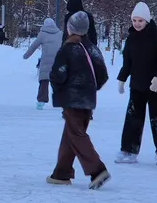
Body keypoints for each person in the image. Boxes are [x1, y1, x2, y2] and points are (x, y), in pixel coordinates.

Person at [46, 11, 111, 189]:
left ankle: (98, 170)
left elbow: (58, 75)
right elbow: (103, 75)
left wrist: (60, 89)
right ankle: (61, 173)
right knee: (71, 134)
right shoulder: (93, 49)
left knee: (77, 135)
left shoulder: (67, 49)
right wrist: (89, 88)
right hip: (88, 100)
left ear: (70, 29)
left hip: (72, 99)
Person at [115, 2, 157, 165]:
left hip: (154, 87)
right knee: (133, 118)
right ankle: (128, 150)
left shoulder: (155, 38)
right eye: (135, 20)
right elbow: (127, 62)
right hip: (137, 86)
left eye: (140, 20)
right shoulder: (131, 39)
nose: (137, 24)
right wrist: (122, 78)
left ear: (147, 21)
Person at [23, 18, 62, 110]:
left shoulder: (42, 35)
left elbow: (33, 46)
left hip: (46, 62)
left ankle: (41, 101)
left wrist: (26, 56)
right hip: (59, 61)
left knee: (44, 81)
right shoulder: (60, 34)